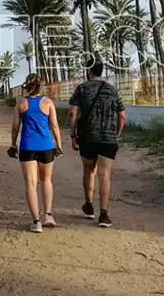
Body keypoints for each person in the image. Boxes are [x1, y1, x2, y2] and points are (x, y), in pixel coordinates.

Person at [68, 55, 126, 228]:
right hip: (108, 139)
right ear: (102, 72)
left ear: (88, 71)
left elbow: (72, 113)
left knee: (89, 170)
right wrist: (116, 133)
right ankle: (104, 215)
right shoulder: (113, 90)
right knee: (105, 175)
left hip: (87, 138)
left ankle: (89, 206)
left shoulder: (82, 89)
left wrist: (73, 135)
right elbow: (122, 116)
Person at [8, 73, 63, 233]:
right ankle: (48, 215)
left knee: (31, 184)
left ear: (27, 85)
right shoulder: (48, 102)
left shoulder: (21, 103)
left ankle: (36, 222)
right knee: (46, 180)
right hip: (46, 146)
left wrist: (13, 144)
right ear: (40, 86)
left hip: (27, 146)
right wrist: (58, 144)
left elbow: (15, 126)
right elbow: (54, 125)